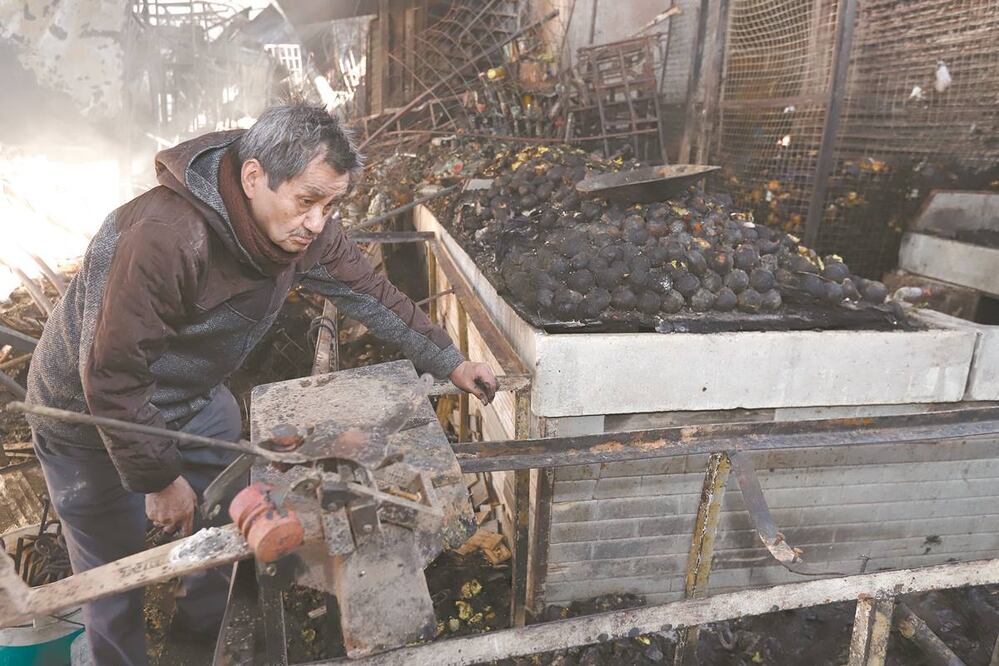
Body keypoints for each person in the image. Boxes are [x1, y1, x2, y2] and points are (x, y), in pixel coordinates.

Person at [25, 103, 497, 666]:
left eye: (330, 204)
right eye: (307, 201)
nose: (318, 222)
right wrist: (159, 477)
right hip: (86, 413)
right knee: (111, 575)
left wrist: (448, 360)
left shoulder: (302, 229)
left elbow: (369, 292)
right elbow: (112, 374)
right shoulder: (166, 237)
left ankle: (202, 640)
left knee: (228, 507)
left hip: (192, 399)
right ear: (254, 178)